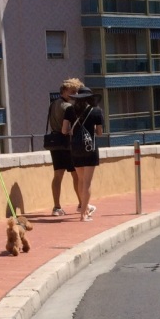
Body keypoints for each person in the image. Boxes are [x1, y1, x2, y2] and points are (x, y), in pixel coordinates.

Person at [62, 85, 104, 221]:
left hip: (75, 149)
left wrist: (74, 133)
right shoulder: (96, 111)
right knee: (87, 182)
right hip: (89, 149)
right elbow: (99, 132)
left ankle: (83, 208)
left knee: (80, 180)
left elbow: (64, 130)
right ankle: (83, 214)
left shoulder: (69, 110)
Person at [47, 78, 82, 216]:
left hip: (55, 143)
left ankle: (57, 206)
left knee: (58, 176)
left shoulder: (53, 104)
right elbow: (70, 127)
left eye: (76, 91)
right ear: (64, 91)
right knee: (76, 175)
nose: (74, 94)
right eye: (72, 91)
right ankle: (81, 203)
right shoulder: (68, 107)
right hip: (67, 143)